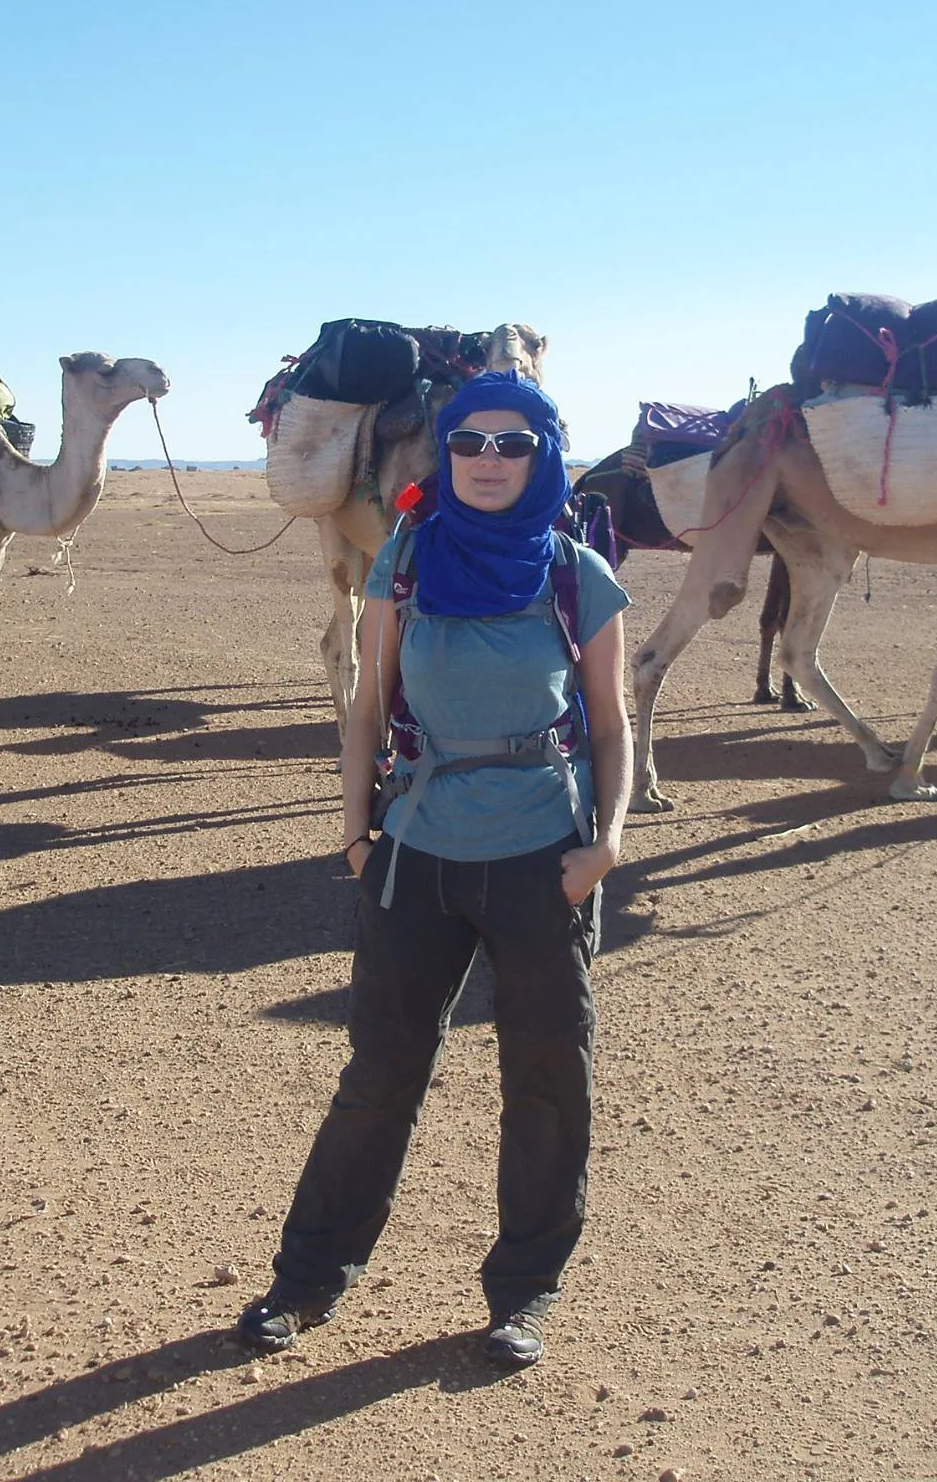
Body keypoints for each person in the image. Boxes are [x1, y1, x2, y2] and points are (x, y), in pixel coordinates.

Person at [236, 370, 632, 1371]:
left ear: (542, 455)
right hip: (414, 856)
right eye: (469, 444)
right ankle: (306, 1281)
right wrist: (356, 837)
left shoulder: (575, 572)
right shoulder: (407, 558)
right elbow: (367, 707)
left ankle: (524, 1293)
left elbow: (615, 725)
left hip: (543, 859)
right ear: (444, 454)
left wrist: (606, 845)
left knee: (547, 1081)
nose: (488, 461)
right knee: (377, 1077)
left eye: (512, 444)